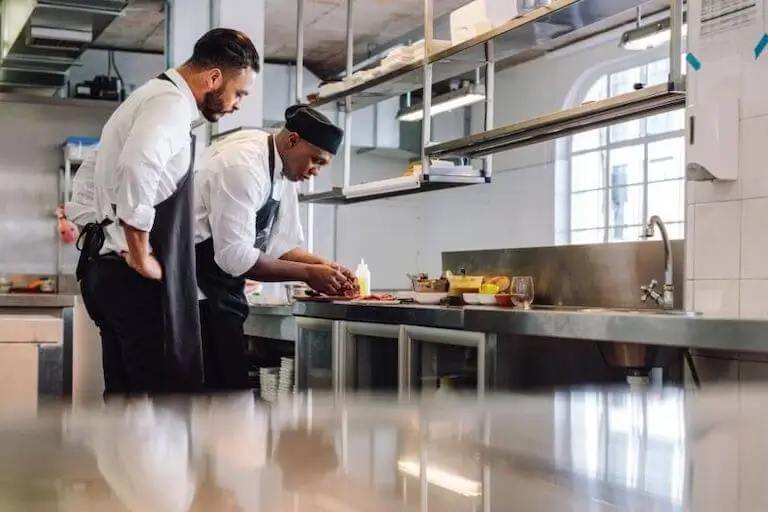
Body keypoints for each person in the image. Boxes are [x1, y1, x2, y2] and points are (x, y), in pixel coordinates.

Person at [77, 28, 261, 397]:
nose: (238, 103)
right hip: (128, 278)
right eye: (239, 92)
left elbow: (88, 174)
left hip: (102, 268)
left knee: (124, 400)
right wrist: (141, 254)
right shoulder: (171, 105)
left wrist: (100, 232)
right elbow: (136, 169)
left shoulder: (146, 97)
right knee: (157, 407)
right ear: (213, 77)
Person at [194, 104, 353, 391]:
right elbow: (236, 258)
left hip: (224, 292)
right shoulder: (242, 165)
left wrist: (326, 267)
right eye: (315, 160)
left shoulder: (283, 171)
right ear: (292, 140)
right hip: (196, 294)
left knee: (230, 394)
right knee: (214, 397)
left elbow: (281, 245)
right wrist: (308, 274)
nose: (314, 171)